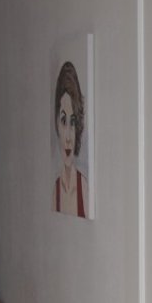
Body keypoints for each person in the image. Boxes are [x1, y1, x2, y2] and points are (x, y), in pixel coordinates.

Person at [52, 61, 88, 218]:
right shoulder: (55, 192)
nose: (67, 137)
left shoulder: (84, 189)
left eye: (73, 122)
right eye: (63, 120)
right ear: (56, 123)